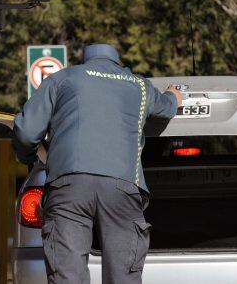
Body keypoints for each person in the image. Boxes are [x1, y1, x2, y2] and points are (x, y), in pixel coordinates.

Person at [13, 43, 181, 284]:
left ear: (84, 59)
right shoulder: (139, 86)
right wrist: (174, 95)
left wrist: (28, 158)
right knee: (123, 276)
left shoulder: (62, 79)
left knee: (67, 277)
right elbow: (166, 108)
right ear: (118, 62)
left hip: (68, 188)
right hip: (122, 189)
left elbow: (27, 132)